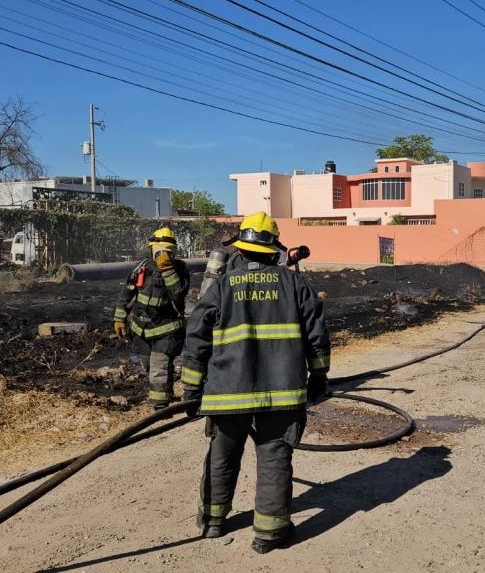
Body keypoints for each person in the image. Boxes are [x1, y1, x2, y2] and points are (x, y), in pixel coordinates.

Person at [180, 211, 330, 553]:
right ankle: (270, 533)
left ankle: (213, 522)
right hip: (283, 392)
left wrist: (191, 389)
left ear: (242, 250)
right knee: (275, 454)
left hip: (226, 391)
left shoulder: (221, 287)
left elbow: (197, 338)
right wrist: (319, 376)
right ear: (273, 250)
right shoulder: (296, 285)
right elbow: (317, 336)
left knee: (222, 453)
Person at [113, 227, 190, 410]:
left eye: (167, 251)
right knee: (149, 366)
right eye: (159, 251)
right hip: (142, 329)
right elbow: (126, 294)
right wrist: (119, 319)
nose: (163, 255)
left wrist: (168, 271)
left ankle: (159, 406)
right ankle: (166, 393)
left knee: (158, 367)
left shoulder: (180, 269)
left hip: (167, 329)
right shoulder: (142, 267)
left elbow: (178, 295)